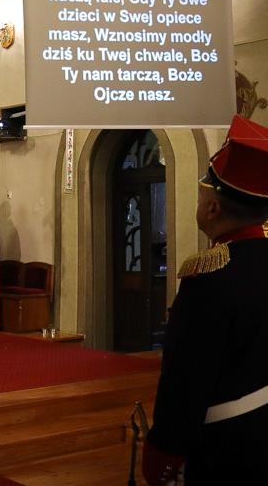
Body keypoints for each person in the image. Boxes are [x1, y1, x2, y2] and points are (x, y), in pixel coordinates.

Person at [143, 116, 268, 486]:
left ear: (213, 208)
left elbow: (186, 378)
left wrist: (164, 453)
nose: (199, 202)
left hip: (226, 445)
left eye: (201, 195)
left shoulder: (208, 276)